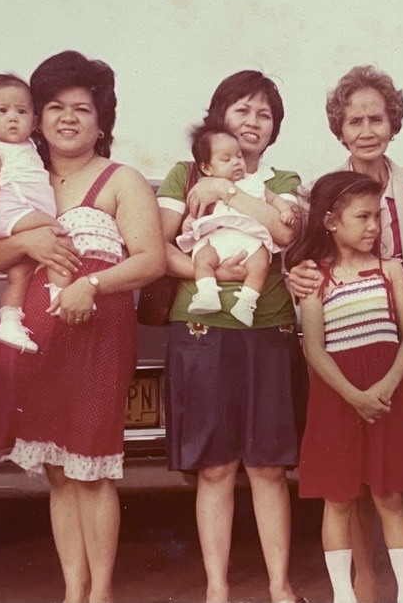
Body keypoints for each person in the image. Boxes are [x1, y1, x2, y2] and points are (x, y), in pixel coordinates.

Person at [0, 51, 165, 603]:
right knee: (57, 472)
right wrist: (23, 243)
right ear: (36, 117)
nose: (67, 118)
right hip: (36, 338)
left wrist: (92, 286)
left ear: (101, 120)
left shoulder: (120, 179)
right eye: (54, 106)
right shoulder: (19, 177)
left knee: (92, 471)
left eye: (82, 108)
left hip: (97, 336)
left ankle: (100, 592)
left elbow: (150, 259)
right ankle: (71, 591)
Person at [288, 66, 403, 602]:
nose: (366, 129)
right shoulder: (320, 192)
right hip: (345, 347)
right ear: (339, 128)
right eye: (354, 120)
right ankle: (362, 577)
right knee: (348, 485)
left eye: (376, 118)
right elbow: (300, 255)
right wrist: (298, 275)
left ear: (394, 123)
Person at [158, 70, 302, 603]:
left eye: (264, 115)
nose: (253, 122)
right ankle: (216, 588)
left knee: (268, 466)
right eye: (243, 110)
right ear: (220, 116)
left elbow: (286, 233)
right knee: (215, 467)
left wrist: (225, 191)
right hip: (202, 329)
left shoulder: (284, 180)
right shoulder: (182, 173)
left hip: (269, 329)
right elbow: (159, 246)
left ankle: (280, 585)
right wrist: (211, 275)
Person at [289, 171, 403, 603]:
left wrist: (384, 386)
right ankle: (343, 596)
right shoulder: (315, 278)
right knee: (339, 500)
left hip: (386, 398)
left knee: (389, 495)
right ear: (330, 221)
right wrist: (353, 395)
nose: (373, 227)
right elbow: (314, 348)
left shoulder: (391, 271)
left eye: (377, 217)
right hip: (338, 400)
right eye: (362, 217)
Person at [0, 73, 62, 353]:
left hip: (25, 216)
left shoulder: (31, 148)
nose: (13, 118)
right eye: (3, 111)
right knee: (58, 231)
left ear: (34, 121)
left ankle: (10, 320)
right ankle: (60, 294)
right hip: (13, 211)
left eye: (21, 112)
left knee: (20, 274)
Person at [176, 125, 295, 326]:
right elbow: (196, 214)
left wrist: (285, 210)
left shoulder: (255, 182)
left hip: (249, 238)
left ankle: (247, 302)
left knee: (259, 264)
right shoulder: (205, 187)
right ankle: (207, 293)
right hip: (217, 238)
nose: (236, 162)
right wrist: (189, 222)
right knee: (203, 259)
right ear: (207, 168)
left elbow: (273, 198)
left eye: (239, 156)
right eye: (226, 159)